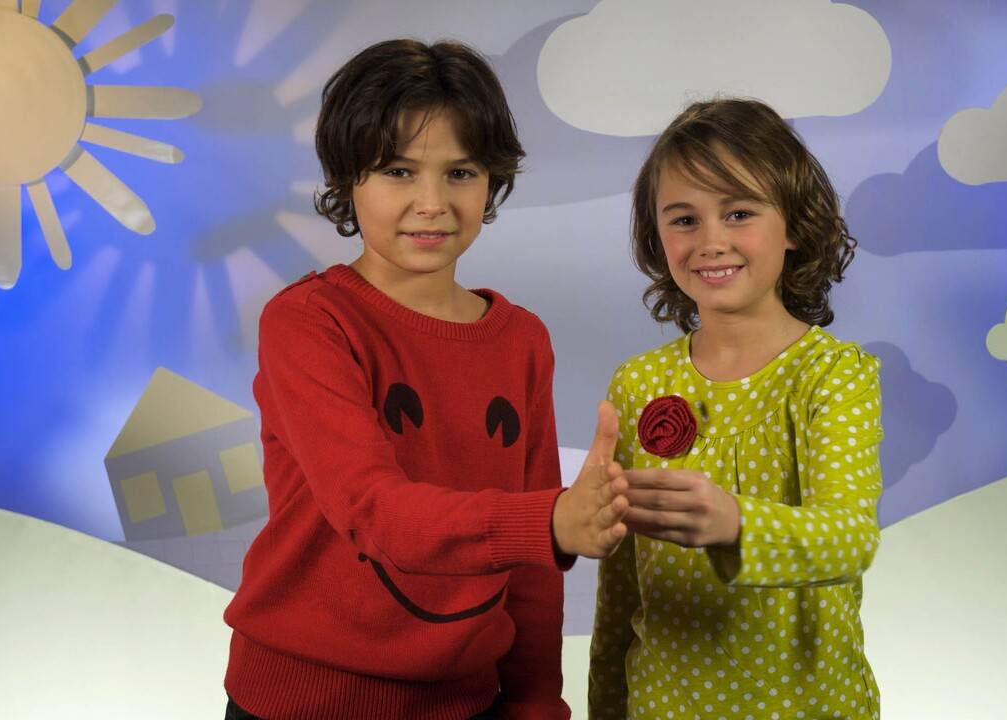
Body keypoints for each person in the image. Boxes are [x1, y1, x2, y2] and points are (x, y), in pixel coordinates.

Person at [223, 39, 628, 720]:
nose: (432, 202)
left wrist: (536, 703)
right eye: (398, 171)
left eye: (460, 172)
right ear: (348, 178)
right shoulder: (308, 322)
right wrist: (551, 520)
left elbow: (532, 578)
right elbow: (373, 510)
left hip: (467, 700)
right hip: (300, 703)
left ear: (492, 181)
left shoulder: (522, 340)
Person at [589, 98, 885, 719]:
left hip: (809, 706)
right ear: (657, 235)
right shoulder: (638, 383)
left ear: (795, 224)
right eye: (684, 219)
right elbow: (618, 592)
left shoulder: (832, 375)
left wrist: (738, 524)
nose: (711, 241)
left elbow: (850, 539)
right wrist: (606, 707)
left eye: (739, 212)